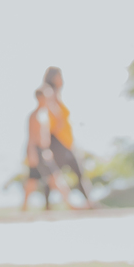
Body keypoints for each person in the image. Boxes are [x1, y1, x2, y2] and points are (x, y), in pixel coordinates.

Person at [43, 66, 95, 207]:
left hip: (66, 141)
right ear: (53, 77)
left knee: (69, 172)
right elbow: (53, 116)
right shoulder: (49, 93)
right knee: (55, 173)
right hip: (57, 140)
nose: (61, 79)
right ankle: (48, 205)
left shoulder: (57, 94)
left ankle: (88, 202)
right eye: (59, 76)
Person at [21, 87, 72, 211]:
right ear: (39, 98)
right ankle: (70, 205)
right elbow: (32, 138)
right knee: (55, 177)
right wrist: (32, 154)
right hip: (38, 152)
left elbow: (59, 123)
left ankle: (24, 207)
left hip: (43, 151)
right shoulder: (34, 116)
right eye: (46, 97)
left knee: (32, 180)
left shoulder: (45, 115)